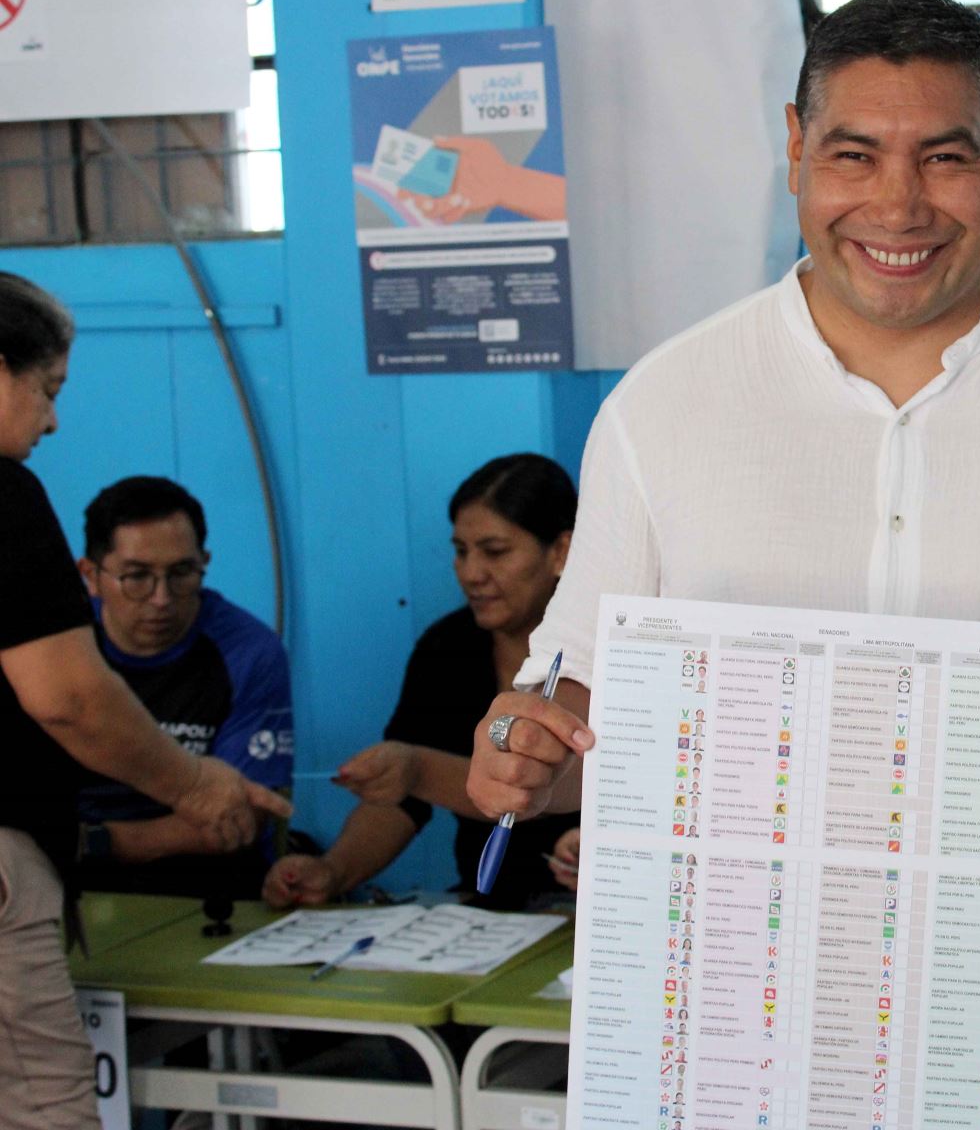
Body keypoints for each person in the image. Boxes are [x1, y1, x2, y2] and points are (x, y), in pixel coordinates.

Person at [465, 0, 980, 864]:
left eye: (945, 158)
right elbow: (576, 719)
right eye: (854, 155)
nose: (899, 207)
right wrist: (516, 761)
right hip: (731, 976)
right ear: (797, 147)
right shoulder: (660, 405)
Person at [0, 271, 289, 1130]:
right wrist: (198, 787)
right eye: (46, 390)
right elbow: (71, 700)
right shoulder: (3, 492)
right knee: (43, 1109)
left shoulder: (242, 649)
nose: (52, 420)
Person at [263, 454, 580, 911]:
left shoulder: (609, 651)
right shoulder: (447, 649)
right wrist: (333, 871)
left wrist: (418, 768)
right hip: (485, 912)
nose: (471, 573)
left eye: (495, 551)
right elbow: (401, 798)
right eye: (461, 551)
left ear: (560, 553)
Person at [69, 476, 294, 898]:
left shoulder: (249, 651)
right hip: (63, 881)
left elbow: (240, 819)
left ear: (204, 561)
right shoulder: (53, 648)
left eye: (182, 573)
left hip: (206, 886)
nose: (162, 598)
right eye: (136, 577)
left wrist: (90, 842)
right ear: (91, 576)